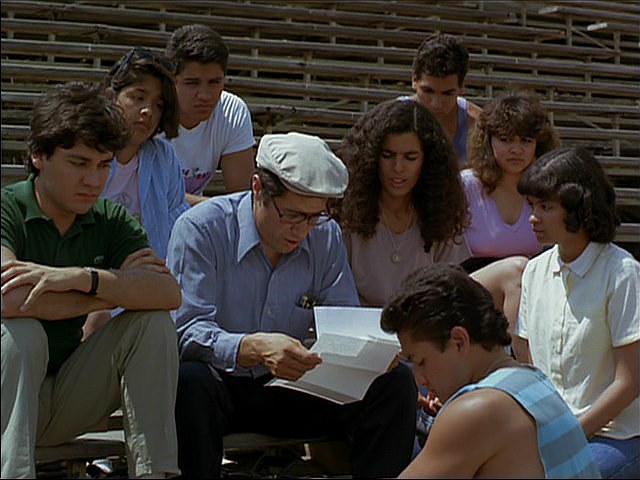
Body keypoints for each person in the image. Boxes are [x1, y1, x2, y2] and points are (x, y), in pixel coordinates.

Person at [166, 131, 417, 478]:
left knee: (395, 383)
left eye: (314, 217)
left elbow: (343, 321)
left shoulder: (324, 234)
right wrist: (251, 347)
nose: (302, 229)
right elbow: (184, 332)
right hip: (221, 385)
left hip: (295, 386)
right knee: (189, 381)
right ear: (257, 189)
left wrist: (370, 354)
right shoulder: (202, 229)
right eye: (292, 216)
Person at [1, 83, 181, 479]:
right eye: (79, 163)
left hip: (61, 398)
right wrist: (108, 295)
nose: (93, 180)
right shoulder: (7, 208)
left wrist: (85, 278)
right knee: (22, 334)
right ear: (38, 156)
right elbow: (9, 300)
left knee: (152, 324)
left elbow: (167, 293)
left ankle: (154, 474)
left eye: (103, 165)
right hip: (5, 400)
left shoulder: (109, 219)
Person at [337, 98, 528, 451]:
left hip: (423, 340)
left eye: (410, 157)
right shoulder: (347, 213)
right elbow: (340, 307)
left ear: (427, 160)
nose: (398, 169)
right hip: (363, 343)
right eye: (388, 155)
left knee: (515, 270)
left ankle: (519, 386)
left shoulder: (441, 210)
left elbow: (446, 296)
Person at [381, 263, 601, 479]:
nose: (420, 380)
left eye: (421, 362)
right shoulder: (532, 379)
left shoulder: (476, 410)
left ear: (459, 341)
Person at [515, 146, 639, 479]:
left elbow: (629, 382)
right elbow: (528, 362)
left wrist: (569, 437)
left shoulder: (622, 273)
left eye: (546, 207)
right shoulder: (534, 271)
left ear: (580, 208)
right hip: (552, 432)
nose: (533, 217)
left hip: (617, 435)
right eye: (531, 205)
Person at [102, 47, 189, 260]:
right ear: (111, 97)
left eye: (158, 105)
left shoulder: (164, 157)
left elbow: (177, 224)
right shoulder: (87, 150)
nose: (148, 111)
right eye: (138, 97)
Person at [462, 89, 560, 272]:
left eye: (526, 141)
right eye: (506, 140)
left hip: (529, 281)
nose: (516, 149)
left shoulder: (549, 190)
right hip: (471, 281)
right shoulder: (466, 185)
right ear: (488, 141)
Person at [165, 24, 255, 204]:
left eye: (214, 82)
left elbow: (242, 197)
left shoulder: (232, 112)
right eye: (192, 83)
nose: (205, 95)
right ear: (171, 80)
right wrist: (215, 208)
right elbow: (153, 195)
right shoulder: (151, 111)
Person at [408, 32, 482, 164]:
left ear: (461, 88)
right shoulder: (391, 120)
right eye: (428, 91)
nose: (436, 104)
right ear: (414, 80)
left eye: (447, 93)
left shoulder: (477, 126)